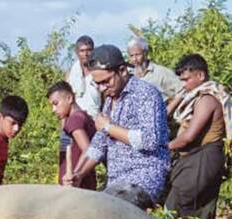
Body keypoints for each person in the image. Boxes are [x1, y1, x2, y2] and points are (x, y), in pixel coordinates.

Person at [65, 44, 170, 209]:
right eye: (98, 84)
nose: (102, 88)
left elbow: (150, 140)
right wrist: (79, 174)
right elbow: (99, 145)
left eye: (106, 81)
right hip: (116, 183)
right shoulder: (110, 100)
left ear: (122, 71)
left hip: (142, 178)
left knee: (105, 213)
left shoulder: (145, 94)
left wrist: (108, 127)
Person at [166, 53, 232, 219]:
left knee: (176, 211)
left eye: (186, 79)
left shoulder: (206, 100)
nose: (183, 85)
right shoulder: (200, 98)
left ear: (200, 76)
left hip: (202, 160)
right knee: (201, 216)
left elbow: (189, 137)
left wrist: (165, 147)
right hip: (201, 160)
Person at [47, 81, 97, 190]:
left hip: (75, 186)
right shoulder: (83, 116)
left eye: (56, 103)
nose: (53, 110)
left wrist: (75, 175)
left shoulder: (75, 119)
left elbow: (88, 149)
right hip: (82, 184)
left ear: (69, 98)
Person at [127, 35, 182, 110]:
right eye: (131, 56)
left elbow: (182, 91)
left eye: (138, 55)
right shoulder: (129, 77)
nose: (134, 59)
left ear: (145, 53)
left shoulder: (161, 72)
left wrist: (167, 111)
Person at [66, 35, 103, 118]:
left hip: (95, 119)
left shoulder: (100, 72)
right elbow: (66, 102)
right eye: (82, 51)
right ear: (77, 52)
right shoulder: (71, 74)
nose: (86, 54)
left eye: (89, 50)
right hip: (76, 119)